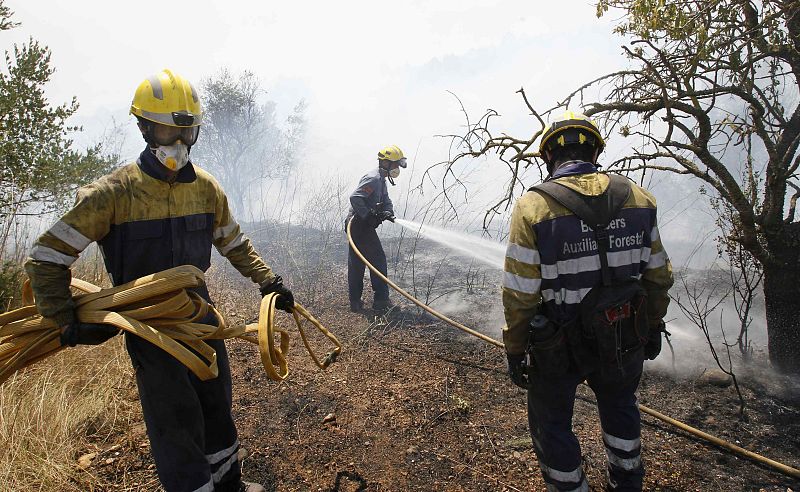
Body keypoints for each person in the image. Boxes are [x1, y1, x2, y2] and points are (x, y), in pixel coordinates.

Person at [24, 69, 294, 492]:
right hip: (149, 323)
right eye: (169, 131)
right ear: (145, 128)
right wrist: (65, 319)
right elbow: (46, 257)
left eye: (187, 132)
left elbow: (234, 243)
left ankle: (229, 485)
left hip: (198, 312)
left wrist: (270, 281)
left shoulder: (206, 189)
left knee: (216, 403)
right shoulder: (112, 193)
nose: (178, 144)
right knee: (175, 418)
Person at [501, 111, 674, 491]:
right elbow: (658, 274)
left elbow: (520, 293)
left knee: (552, 423)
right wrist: (651, 325)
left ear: (548, 157)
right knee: (620, 406)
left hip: (558, 345)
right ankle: (627, 483)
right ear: (595, 150)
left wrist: (515, 348)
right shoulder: (639, 198)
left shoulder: (533, 206)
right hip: (623, 334)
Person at [346, 145, 406, 312]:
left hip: (362, 224)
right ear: (385, 163)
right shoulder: (373, 178)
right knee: (378, 259)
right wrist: (368, 215)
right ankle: (381, 301)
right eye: (394, 165)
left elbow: (385, 199)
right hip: (358, 224)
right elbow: (355, 198)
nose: (396, 169)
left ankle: (355, 302)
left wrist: (388, 212)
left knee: (357, 263)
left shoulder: (381, 179)